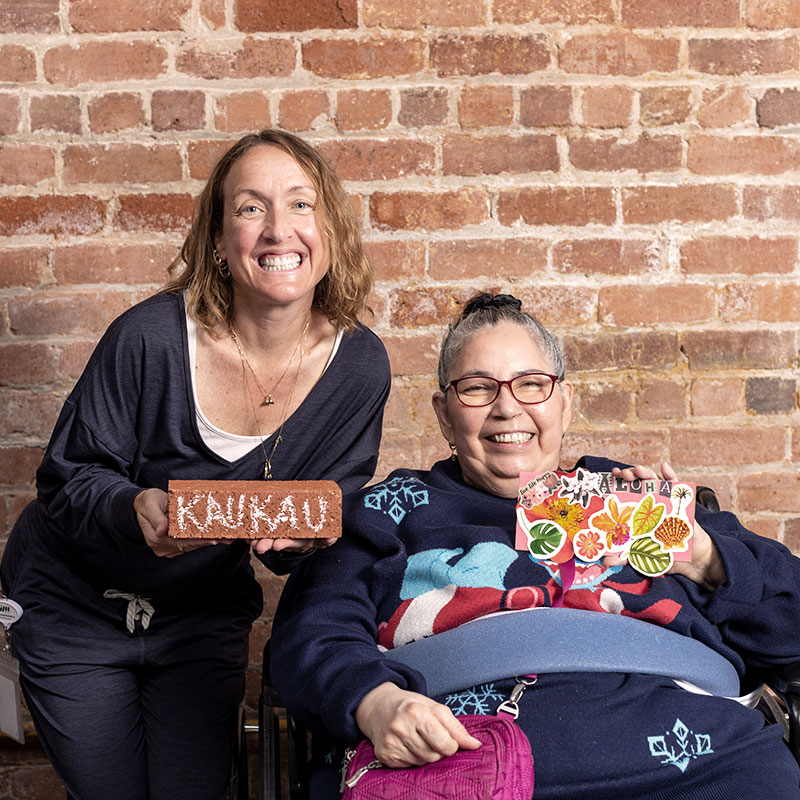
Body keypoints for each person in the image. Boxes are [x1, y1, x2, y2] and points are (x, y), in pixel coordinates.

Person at [269, 292, 800, 799]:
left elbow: (790, 622)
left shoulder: (638, 502)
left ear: (564, 402)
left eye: (531, 384)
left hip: (698, 756)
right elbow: (311, 634)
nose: (507, 409)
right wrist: (374, 700)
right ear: (442, 413)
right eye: (477, 388)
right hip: (468, 758)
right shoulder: (390, 511)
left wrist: (705, 560)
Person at [0, 129, 390, 800]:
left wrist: (304, 537)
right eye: (250, 207)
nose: (278, 229)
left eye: (302, 205)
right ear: (217, 237)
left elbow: (319, 521)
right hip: (72, 606)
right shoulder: (149, 336)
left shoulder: (358, 366)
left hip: (198, 617)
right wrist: (134, 508)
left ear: (330, 231)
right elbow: (65, 480)